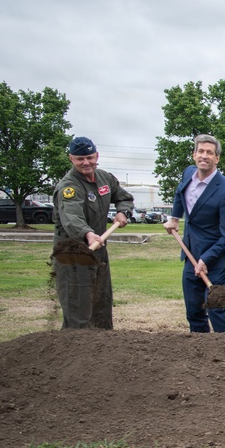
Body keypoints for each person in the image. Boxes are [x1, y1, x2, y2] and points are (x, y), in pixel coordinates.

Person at [52, 136, 134, 329]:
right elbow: (71, 218)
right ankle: (74, 352)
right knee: (78, 308)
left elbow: (124, 197)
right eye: (80, 159)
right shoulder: (69, 187)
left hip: (98, 249)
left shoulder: (105, 178)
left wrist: (123, 211)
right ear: (71, 159)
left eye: (89, 157)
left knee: (101, 303)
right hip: (74, 253)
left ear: (97, 156)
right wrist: (88, 234)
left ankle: (102, 353)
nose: (86, 162)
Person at [164, 134, 225, 333]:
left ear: (217, 159)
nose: (204, 156)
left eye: (210, 153)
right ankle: (201, 353)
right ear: (194, 155)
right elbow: (180, 192)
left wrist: (206, 259)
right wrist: (174, 217)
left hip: (218, 260)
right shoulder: (188, 174)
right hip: (191, 254)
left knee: (216, 308)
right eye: (201, 151)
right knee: (194, 310)